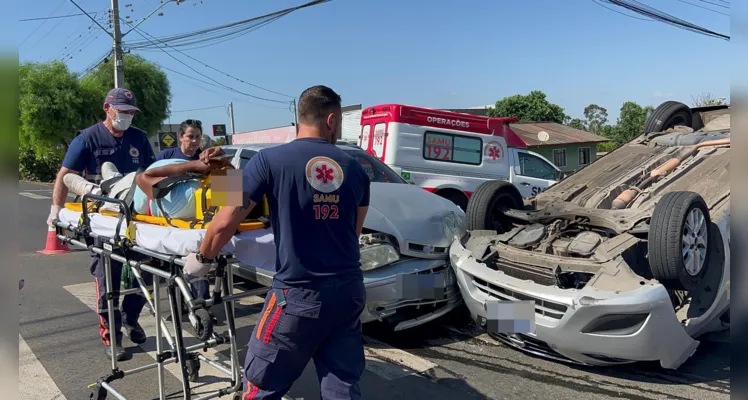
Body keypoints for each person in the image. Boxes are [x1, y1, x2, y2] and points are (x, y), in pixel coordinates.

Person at [184, 85, 371, 400]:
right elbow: (353, 232)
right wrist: (224, 171)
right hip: (348, 292)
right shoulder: (355, 168)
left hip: (297, 295)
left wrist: (202, 259)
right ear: (331, 120)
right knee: (342, 385)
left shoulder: (268, 160)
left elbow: (223, 221)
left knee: (261, 385)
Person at [47, 88, 156, 361]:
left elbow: (153, 174)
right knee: (109, 282)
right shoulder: (87, 139)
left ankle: (131, 318)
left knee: (144, 275)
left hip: (134, 218)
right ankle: (113, 337)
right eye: (123, 111)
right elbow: (65, 176)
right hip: (102, 220)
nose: (127, 116)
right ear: (107, 107)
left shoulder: (139, 138)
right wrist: (55, 213)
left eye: (131, 112)